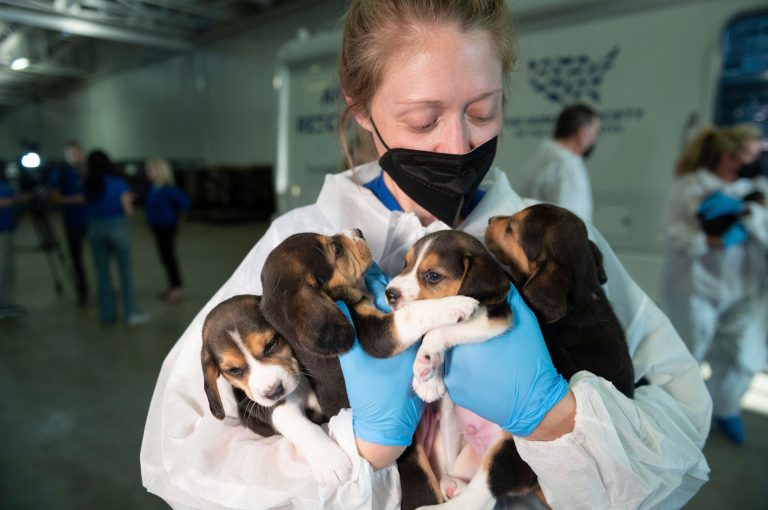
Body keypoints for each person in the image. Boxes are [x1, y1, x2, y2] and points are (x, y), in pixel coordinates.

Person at [140, 1, 710, 509]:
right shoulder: (301, 246)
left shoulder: (548, 237)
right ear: (360, 108)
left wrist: (557, 419)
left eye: (482, 111)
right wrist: (359, 450)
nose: (459, 145)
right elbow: (185, 458)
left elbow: (681, 425)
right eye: (423, 119)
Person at [660, 124, 767, 445]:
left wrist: (749, 212)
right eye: (750, 153)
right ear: (729, 156)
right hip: (696, 288)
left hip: (743, 288)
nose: (755, 159)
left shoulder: (758, 188)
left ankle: (725, 408)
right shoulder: (689, 186)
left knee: (741, 357)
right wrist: (710, 239)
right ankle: (682, 418)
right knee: (689, 354)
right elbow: (671, 234)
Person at [84, 150, 150, 326]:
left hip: (95, 229)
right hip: (117, 228)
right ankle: (129, 313)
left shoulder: (88, 184)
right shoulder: (118, 183)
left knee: (102, 274)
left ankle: (107, 314)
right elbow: (128, 211)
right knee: (125, 272)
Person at [521, 103, 600, 223]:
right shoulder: (569, 167)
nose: (594, 140)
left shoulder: (540, 157)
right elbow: (572, 226)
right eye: (595, 133)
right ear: (582, 133)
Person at [48, 141, 89, 306]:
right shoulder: (61, 172)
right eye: (72, 153)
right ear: (66, 154)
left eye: (78, 152)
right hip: (72, 220)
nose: (75, 155)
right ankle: (82, 288)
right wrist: (73, 199)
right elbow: (54, 195)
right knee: (76, 256)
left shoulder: (86, 170)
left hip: (92, 220)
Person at [144, 158, 190, 303]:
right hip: (157, 227)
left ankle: (176, 288)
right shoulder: (154, 187)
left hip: (166, 227)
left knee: (169, 257)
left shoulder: (167, 188)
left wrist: (181, 218)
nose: (147, 173)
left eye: (150, 170)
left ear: (159, 171)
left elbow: (185, 201)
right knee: (164, 257)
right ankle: (173, 286)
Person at [0, 162, 24, 319]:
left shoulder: (5, 184)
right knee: (3, 267)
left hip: (7, 228)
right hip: (1, 230)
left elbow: (14, 197)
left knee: (8, 266)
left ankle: (6, 301)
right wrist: (11, 201)